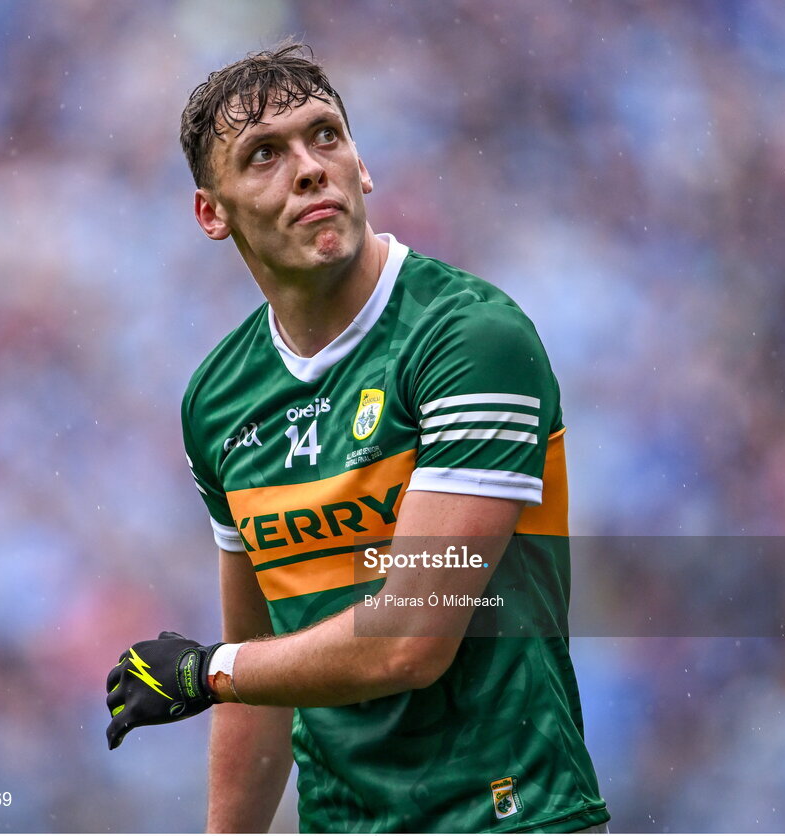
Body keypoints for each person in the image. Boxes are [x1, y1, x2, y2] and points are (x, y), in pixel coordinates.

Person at [106, 43, 610, 834]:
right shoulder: (218, 399)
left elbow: (409, 639)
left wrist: (209, 673)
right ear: (212, 212)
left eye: (326, 136)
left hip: (511, 816)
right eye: (265, 155)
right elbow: (261, 666)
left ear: (363, 167)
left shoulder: (469, 338)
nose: (310, 168)